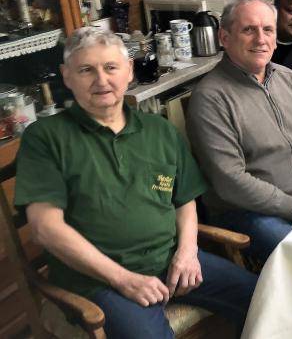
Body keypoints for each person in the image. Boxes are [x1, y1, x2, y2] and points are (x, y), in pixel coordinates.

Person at [14, 28, 257, 339]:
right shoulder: (45, 138)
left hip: (170, 261)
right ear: (66, 76)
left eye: (110, 67)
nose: (101, 80)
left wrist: (187, 252)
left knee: (263, 297)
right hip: (98, 281)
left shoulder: (159, 130)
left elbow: (184, 200)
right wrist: (123, 279)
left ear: (128, 70)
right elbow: (45, 228)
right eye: (87, 69)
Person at [187, 0, 292, 264]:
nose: (261, 39)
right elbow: (231, 180)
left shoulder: (287, 78)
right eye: (249, 30)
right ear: (224, 37)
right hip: (250, 213)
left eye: (268, 29)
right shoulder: (210, 97)